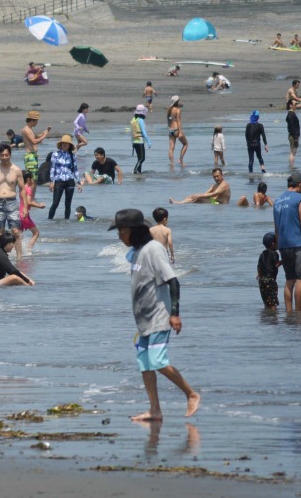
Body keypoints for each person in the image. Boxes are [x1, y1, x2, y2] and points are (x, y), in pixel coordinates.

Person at [109, 208, 200, 421]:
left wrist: (175, 314)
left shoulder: (154, 249)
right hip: (143, 321)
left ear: (133, 230)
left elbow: (173, 281)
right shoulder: (136, 252)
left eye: (121, 231)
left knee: (158, 362)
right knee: (145, 363)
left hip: (159, 317)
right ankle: (155, 410)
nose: (119, 236)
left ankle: (191, 394)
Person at [273, 171, 301, 312]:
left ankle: (289, 313)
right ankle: (298, 313)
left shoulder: (277, 200)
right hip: (298, 244)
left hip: (283, 245)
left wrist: (279, 247)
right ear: (300, 184)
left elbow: (276, 228)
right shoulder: (300, 198)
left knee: (289, 280)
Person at [48, 135, 82, 220]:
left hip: (70, 181)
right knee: (55, 203)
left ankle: (66, 222)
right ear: (61, 144)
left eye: (67, 143)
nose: (65, 144)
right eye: (64, 143)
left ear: (69, 145)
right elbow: (53, 168)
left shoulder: (72, 155)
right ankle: (49, 221)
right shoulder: (55, 154)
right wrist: (51, 182)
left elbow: (75, 170)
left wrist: (79, 183)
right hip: (59, 181)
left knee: (68, 204)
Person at [20, 110, 52, 178]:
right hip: (30, 155)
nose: (37, 123)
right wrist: (44, 136)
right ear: (32, 120)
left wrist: (45, 132)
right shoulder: (26, 130)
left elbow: (37, 137)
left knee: (34, 177)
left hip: (33, 155)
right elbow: (34, 141)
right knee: (31, 177)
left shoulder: (30, 129)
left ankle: (32, 189)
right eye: (36, 121)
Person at [256, 233, 280, 310]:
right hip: (270, 280)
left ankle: (267, 315)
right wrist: (285, 261)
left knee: (266, 301)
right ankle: (273, 316)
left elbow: (259, 266)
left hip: (262, 280)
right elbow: (276, 264)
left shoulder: (262, 254)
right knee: (273, 302)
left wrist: (259, 275)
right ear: (273, 244)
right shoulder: (274, 254)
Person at [129, 105, 152, 174]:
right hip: (140, 142)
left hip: (134, 142)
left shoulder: (133, 120)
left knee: (139, 159)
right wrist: (149, 142)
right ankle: (135, 170)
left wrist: (132, 142)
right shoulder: (140, 120)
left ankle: (139, 172)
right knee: (142, 158)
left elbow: (131, 132)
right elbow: (144, 132)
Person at [167, 96, 188, 165]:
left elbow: (169, 120)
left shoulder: (169, 109)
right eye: (179, 101)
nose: (180, 101)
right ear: (177, 102)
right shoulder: (178, 110)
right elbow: (179, 121)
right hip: (176, 129)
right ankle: (181, 161)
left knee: (171, 148)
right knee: (185, 144)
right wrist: (180, 132)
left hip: (170, 130)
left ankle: (171, 163)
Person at [286, 103, 301, 167]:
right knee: (293, 152)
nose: (296, 105)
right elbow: (292, 127)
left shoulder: (292, 114)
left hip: (294, 135)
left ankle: (291, 166)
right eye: (295, 104)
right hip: (293, 136)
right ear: (290, 105)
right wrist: (295, 138)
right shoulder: (290, 115)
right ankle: (292, 167)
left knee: (293, 152)